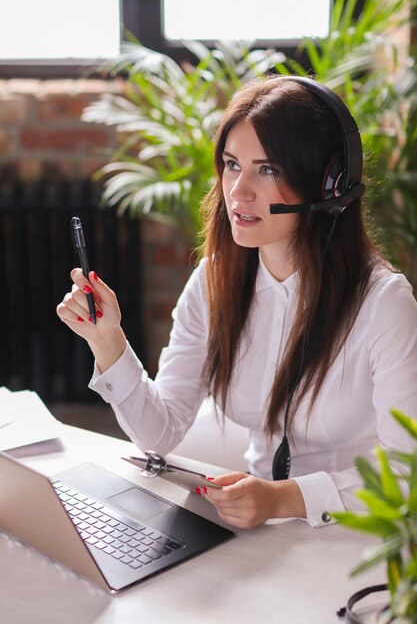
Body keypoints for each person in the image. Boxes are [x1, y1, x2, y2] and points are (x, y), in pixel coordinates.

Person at [57, 75, 417, 530]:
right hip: (259, 531)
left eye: (267, 170)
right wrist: (107, 341)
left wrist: (282, 499)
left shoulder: (383, 303)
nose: (239, 191)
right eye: (231, 164)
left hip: (358, 533)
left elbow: (407, 476)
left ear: (328, 186)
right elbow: (160, 431)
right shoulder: (214, 280)